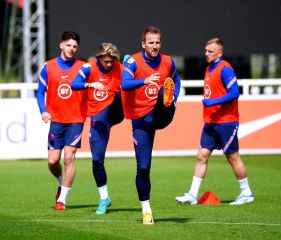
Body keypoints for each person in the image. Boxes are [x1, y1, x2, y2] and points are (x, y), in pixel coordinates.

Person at [176, 37, 254, 206]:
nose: (206, 54)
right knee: (201, 156)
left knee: (232, 157)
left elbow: (234, 93)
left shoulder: (225, 69)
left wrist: (213, 102)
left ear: (219, 52)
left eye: (210, 51)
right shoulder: (209, 68)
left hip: (226, 121)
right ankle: (192, 194)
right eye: (205, 50)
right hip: (210, 122)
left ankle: (246, 193)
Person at [121, 26, 181, 224]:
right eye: (151, 43)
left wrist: (174, 97)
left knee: (165, 94)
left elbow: (176, 78)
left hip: (162, 114)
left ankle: (166, 100)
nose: (155, 46)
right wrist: (144, 80)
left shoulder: (167, 61)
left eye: (157, 42)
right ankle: (146, 210)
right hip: (141, 121)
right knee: (143, 168)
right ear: (143, 44)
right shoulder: (133, 61)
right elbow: (125, 84)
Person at [36, 31, 87, 211]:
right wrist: (43, 111)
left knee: (69, 156)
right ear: (61, 45)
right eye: (68, 45)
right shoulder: (48, 67)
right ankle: (60, 182)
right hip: (56, 120)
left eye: (74, 46)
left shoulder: (83, 67)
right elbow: (40, 91)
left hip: (76, 119)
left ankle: (62, 199)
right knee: (52, 161)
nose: (71, 49)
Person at [71, 42, 124, 215]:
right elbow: (74, 84)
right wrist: (90, 85)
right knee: (97, 160)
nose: (109, 64)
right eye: (106, 61)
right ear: (99, 58)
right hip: (98, 120)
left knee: (115, 101)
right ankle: (104, 198)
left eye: (111, 61)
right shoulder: (88, 68)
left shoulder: (121, 68)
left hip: (115, 111)